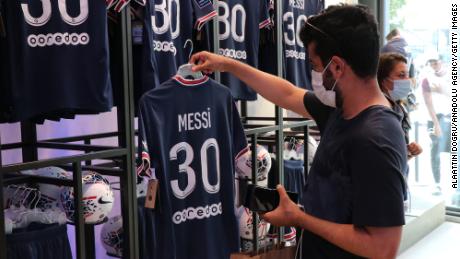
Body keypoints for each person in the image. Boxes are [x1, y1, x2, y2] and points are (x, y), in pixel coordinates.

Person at [191, 4, 407, 259]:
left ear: (337, 68)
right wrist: (228, 65)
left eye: (316, 66)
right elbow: (288, 93)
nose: (314, 74)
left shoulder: (375, 139)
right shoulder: (341, 109)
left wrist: (300, 218)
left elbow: (383, 248)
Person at [377, 52, 423, 162]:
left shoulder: (399, 106)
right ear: (384, 80)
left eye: (408, 75)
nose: (407, 80)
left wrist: (408, 151)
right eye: (401, 75)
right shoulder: (379, 113)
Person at [422, 57, 451, 195]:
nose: (434, 65)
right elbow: (428, 102)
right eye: (431, 62)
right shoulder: (427, 78)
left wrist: (442, 91)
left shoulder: (452, 75)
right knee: (435, 151)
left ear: (442, 61)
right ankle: (437, 184)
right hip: (434, 119)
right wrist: (436, 123)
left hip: (450, 116)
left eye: (436, 62)